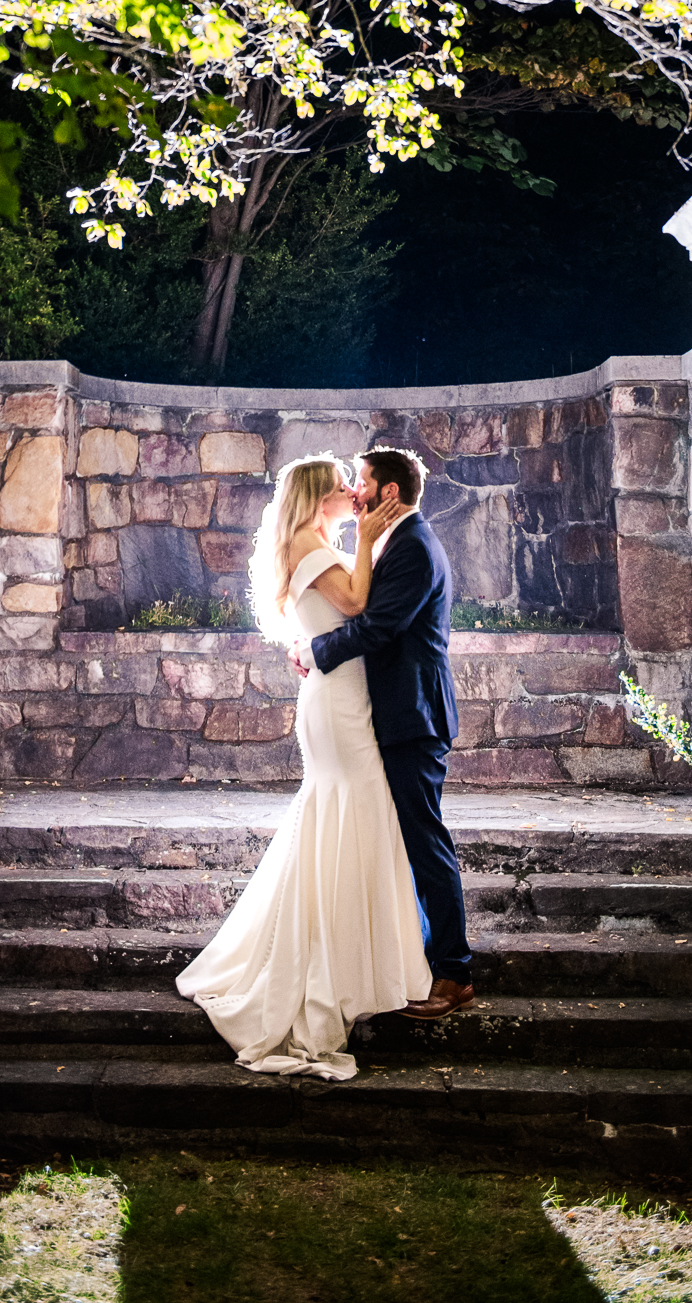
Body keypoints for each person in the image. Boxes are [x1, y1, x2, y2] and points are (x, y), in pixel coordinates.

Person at [175, 453, 433, 1078]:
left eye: (359, 484)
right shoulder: (310, 544)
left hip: (342, 696)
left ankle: (356, 957)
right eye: (344, 487)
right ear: (320, 497)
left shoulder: (313, 540)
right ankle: (339, 965)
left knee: (349, 817)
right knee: (355, 811)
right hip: (338, 706)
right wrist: (368, 542)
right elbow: (355, 604)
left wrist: (359, 544)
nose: (354, 493)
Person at [302, 447, 474, 1020]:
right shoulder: (392, 541)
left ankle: (454, 974)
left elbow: (376, 627)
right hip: (398, 715)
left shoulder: (414, 548)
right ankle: (422, 960)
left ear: (390, 494)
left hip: (413, 717)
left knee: (425, 842)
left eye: (364, 483)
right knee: (406, 841)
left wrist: (316, 650)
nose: (355, 492)